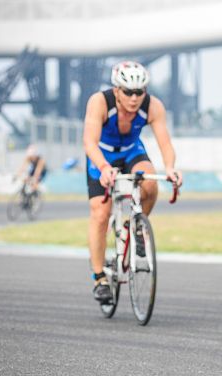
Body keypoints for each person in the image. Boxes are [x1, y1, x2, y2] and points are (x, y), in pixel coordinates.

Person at [82, 61, 183, 304]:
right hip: (102, 155)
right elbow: (89, 143)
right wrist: (104, 168)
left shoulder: (153, 106)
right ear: (117, 90)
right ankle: (99, 278)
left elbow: (165, 144)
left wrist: (170, 168)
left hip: (131, 152)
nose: (134, 98)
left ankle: (136, 227)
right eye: (128, 92)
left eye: (140, 92)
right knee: (100, 213)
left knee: (149, 182)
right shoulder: (99, 102)